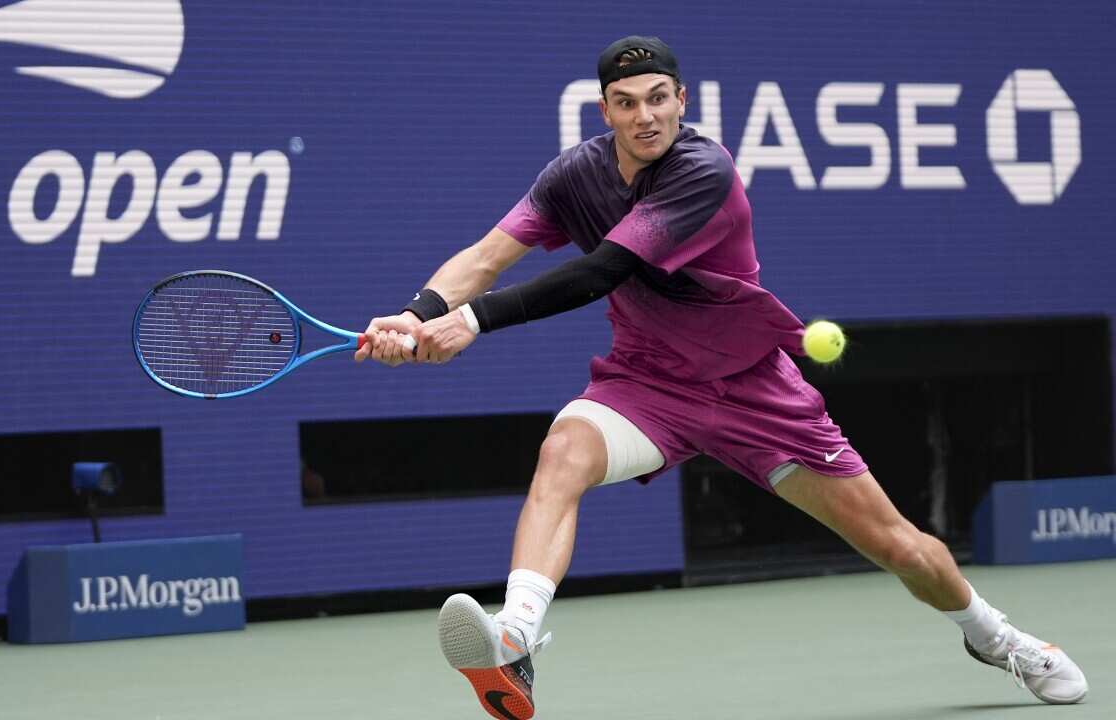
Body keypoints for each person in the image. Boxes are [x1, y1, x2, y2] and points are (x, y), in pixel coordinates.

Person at [353, 35, 1088, 720]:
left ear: (683, 99)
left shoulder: (703, 171)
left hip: (754, 392)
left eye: (659, 97)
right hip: (646, 385)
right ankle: (514, 641)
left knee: (900, 547)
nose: (646, 116)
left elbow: (603, 271)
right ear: (604, 108)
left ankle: (994, 636)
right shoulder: (573, 175)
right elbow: (485, 257)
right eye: (628, 101)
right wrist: (415, 315)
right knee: (563, 452)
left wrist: (471, 323)